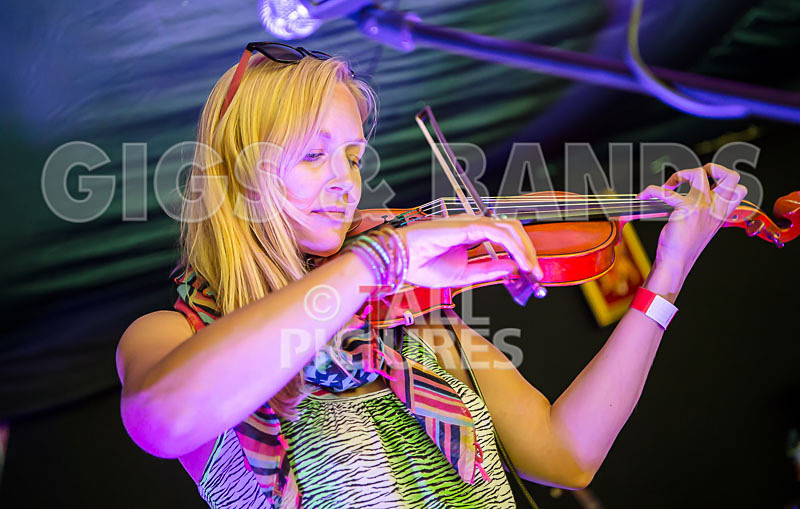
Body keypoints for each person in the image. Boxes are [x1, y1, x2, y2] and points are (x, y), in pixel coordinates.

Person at [115, 42, 747, 509]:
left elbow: (567, 456)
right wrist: (380, 260)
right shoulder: (172, 337)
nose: (345, 181)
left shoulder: (410, 323)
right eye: (313, 154)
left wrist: (668, 275)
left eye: (354, 155)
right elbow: (161, 419)